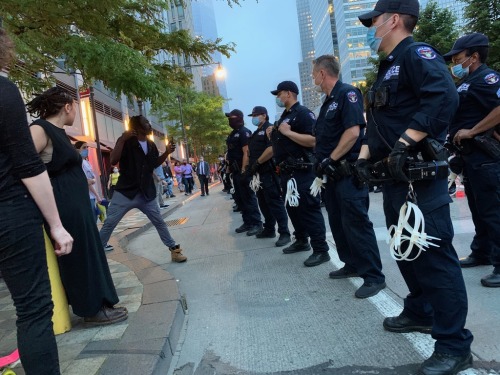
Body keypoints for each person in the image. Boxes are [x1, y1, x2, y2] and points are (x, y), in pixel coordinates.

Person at [357, 1, 473, 374]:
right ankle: (420, 310)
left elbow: (444, 96)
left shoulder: (415, 53)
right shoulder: (388, 66)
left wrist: (406, 142)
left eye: (374, 20)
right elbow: (380, 121)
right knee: (407, 252)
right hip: (396, 180)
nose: (370, 27)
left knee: (436, 260)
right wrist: (363, 156)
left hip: (419, 177)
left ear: (393, 19)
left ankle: (455, 345)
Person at [0, 28, 73, 374]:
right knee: (32, 309)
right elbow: (27, 165)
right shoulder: (4, 91)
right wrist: (56, 226)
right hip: (9, 212)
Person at [28, 86, 128, 326]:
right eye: (75, 108)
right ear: (68, 106)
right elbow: (25, 166)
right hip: (63, 204)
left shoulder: (59, 132)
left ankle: (101, 302)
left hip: (76, 204)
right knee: (79, 256)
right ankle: (90, 309)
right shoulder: (40, 129)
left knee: (90, 251)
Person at [312, 55, 386, 298]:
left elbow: (353, 132)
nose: (313, 77)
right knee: (338, 222)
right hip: (331, 176)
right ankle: (352, 264)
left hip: (346, 172)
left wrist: (330, 159)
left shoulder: (347, 94)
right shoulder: (327, 102)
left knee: (356, 223)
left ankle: (374, 276)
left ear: (323, 73)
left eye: (314, 73)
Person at [443, 33, 500, 288]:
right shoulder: (470, 80)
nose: (454, 64)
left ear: (474, 57)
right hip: (472, 158)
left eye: (458, 59)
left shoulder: (487, 78)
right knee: (479, 208)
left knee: (493, 211)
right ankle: (482, 251)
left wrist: (473, 130)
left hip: (486, 156)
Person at [98, 115, 187, 262]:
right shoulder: (126, 142)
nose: (149, 125)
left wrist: (166, 153)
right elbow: (113, 160)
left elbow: (153, 164)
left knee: (159, 221)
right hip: (125, 192)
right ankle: (96, 255)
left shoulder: (151, 144)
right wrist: (121, 139)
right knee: (109, 223)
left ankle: (174, 251)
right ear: (137, 128)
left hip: (146, 193)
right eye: (146, 123)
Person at [268, 81, 330, 267]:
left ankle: (321, 250)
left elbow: (313, 141)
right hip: (287, 173)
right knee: (293, 209)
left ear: (289, 93)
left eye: (279, 94)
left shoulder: (303, 113)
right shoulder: (285, 116)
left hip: (302, 170)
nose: (278, 98)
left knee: (309, 210)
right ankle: (301, 240)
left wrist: (287, 133)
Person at [246, 106, 291, 247]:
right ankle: (269, 229)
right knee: (263, 203)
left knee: (275, 203)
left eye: (256, 115)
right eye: (252, 115)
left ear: (264, 115)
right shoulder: (257, 131)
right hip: (258, 174)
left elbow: (271, 149)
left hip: (268, 171)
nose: (253, 117)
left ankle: (284, 233)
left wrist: (258, 162)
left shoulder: (270, 129)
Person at [225, 109, 263, 236]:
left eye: (232, 117)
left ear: (239, 118)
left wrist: (243, 170)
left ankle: (257, 223)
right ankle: (247, 222)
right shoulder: (232, 134)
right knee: (241, 199)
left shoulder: (244, 132)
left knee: (249, 198)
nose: (229, 119)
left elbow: (246, 152)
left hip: (243, 171)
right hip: (235, 171)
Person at [74, 141, 104, 221]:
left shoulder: (86, 162)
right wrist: (97, 196)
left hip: (91, 196)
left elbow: (92, 179)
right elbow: (87, 182)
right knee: (92, 219)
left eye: (87, 147)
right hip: (87, 196)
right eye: (84, 148)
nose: (87, 149)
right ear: (77, 150)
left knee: (94, 217)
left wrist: (93, 180)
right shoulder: (80, 163)